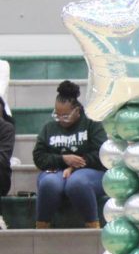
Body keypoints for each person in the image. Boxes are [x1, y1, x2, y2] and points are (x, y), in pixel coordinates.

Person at [32, 80, 105, 228]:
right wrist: (63, 159)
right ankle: (42, 228)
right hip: (57, 170)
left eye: (65, 116)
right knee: (49, 183)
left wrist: (75, 166)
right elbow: (39, 157)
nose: (60, 119)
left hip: (89, 171)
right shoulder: (49, 128)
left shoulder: (92, 124)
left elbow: (101, 154)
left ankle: (93, 226)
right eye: (57, 115)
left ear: (77, 110)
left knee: (77, 183)